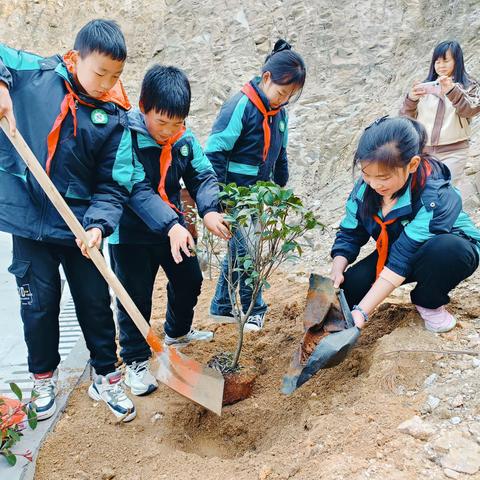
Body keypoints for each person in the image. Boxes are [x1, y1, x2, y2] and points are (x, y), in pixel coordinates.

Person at [0, 19, 137, 421]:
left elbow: (115, 184)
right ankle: (43, 377)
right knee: (38, 306)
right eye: (100, 73)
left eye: (116, 75)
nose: (106, 82)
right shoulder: (35, 73)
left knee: (95, 303)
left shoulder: (115, 117)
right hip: (30, 221)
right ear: (76, 58)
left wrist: (98, 225)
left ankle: (107, 375)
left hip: (82, 229)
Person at [108, 64, 229, 396]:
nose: (168, 131)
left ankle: (177, 332)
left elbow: (202, 176)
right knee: (136, 298)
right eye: (161, 122)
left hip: (171, 227)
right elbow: (136, 189)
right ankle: (135, 360)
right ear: (143, 108)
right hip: (130, 233)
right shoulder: (125, 136)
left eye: (176, 123)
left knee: (189, 279)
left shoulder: (183, 138)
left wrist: (209, 211)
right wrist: (172, 224)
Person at [330, 116, 480, 334]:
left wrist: (362, 312)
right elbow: (350, 234)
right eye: (366, 174)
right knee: (349, 289)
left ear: (412, 164)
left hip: (444, 250)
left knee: (448, 251)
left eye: (383, 177)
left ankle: (428, 301)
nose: (374, 184)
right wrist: (338, 267)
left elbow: (403, 257)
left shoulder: (434, 196)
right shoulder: (364, 192)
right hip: (397, 247)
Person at [206, 39, 306, 331]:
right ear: (266, 78)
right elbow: (215, 151)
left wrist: (280, 185)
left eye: (291, 95)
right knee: (247, 250)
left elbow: (281, 151)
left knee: (241, 249)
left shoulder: (280, 113)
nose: (284, 99)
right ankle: (255, 309)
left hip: (260, 193)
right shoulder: (241, 105)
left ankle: (222, 306)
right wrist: (220, 198)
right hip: (236, 192)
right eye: (281, 92)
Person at [400, 40, 480, 197]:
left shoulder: (469, 86)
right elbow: (405, 120)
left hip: (454, 151)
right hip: (424, 152)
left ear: (457, 61)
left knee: (444, 192)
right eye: (437, 61)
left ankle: (447, 220)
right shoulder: (425, 87)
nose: (441, 65)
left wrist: (451, 90)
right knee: (422, 192)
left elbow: (469, 111)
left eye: (446, 60)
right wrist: (411, 99)